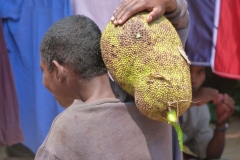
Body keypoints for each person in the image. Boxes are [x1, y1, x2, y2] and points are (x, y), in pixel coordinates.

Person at [34, 14, 185, 160]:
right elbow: (177, 26)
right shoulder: (160, 102)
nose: (43, 80)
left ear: (58, 70)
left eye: (43, 70)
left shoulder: (67, 129)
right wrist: (173, 7)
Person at [180, 65, 235, 160]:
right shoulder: (155, 98)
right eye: (187, 70)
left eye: (200, 72)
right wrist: (192, 102)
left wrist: (221, 125)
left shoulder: (200, 110)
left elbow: (212, 155)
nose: (193, 79)